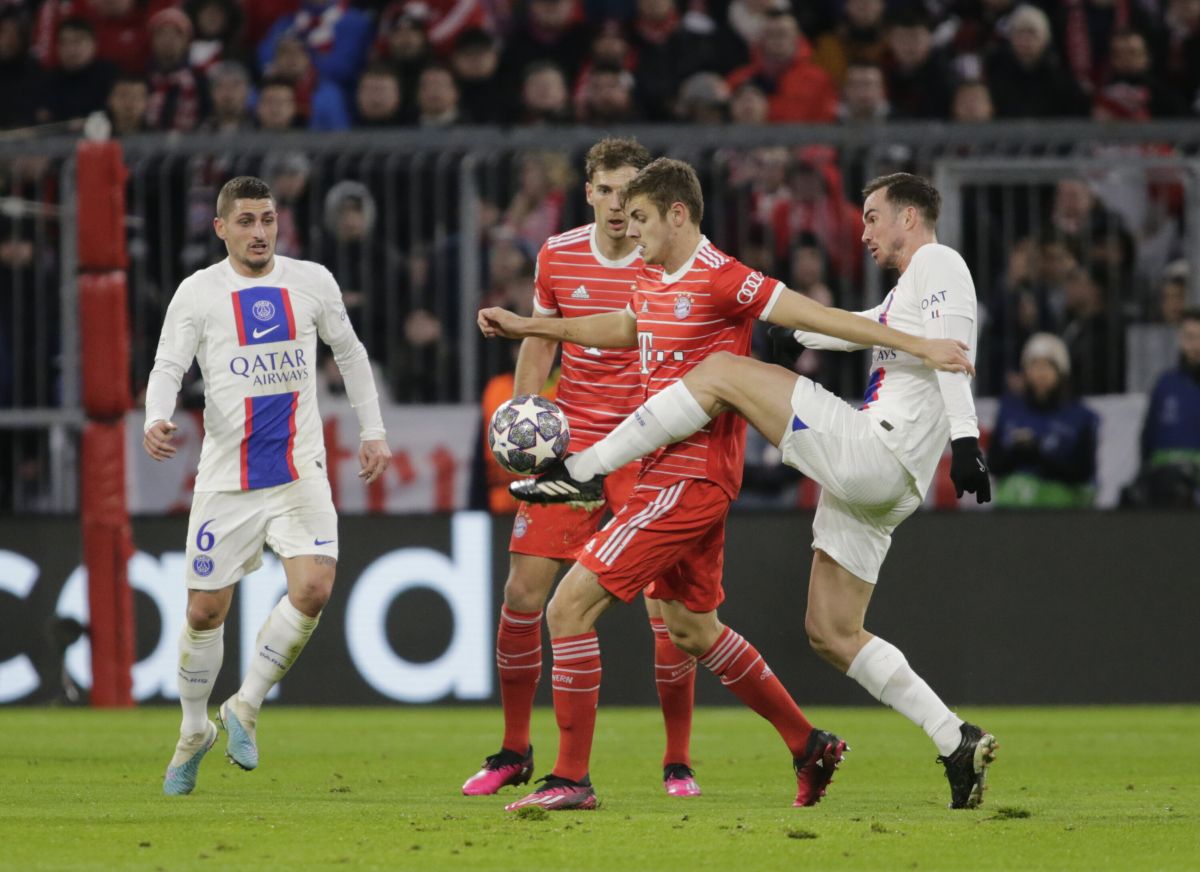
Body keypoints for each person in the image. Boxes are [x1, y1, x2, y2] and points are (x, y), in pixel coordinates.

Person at [477, 161, 975, 811]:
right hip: (669, 471)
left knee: (568, 608)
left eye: (643, 217)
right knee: (694, 628)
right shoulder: (652, 277)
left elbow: (822, 313)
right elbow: (628, 327)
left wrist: (919, 349)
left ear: (677, 214)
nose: (629, 229)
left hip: (690, 476)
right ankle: (809, 744)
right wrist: (532, 326)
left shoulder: (724, 276)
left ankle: (571, 777)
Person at [462, 139, 710, 800]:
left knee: (668, 613)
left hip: (647, 447)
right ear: (590, 193)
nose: (619, 204)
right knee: (522, 596)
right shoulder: (558, 254)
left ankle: (677, 759)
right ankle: (515, 751)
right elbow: (542, 338)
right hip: (570, 447)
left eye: (631, 191)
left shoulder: (672, 260)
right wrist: (522, 413)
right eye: (606, 190)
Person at [144, 176, 391, 796]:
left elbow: (352, 353)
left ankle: (246, 705)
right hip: (226, 479)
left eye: (268, 219)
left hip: (298, 471)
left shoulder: (312, 281)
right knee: (206, 610)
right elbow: (168, 364)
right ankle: (195, 728)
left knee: (313, 588)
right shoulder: (197, 294)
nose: (260, 232)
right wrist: (155, 415)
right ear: (220, 227)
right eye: (247, 221)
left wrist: (373, 430)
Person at [989, 333, 1099, 507]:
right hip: (1012, 508)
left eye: (1047, 366)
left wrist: (1039, 455)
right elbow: (994, 463)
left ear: (1061, 371)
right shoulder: (1009, 410)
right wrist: (1017, 452)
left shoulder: (1080, 417)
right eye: (1035, 366)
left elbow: (1083, 472)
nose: (1041, 374)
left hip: (1061, 509)